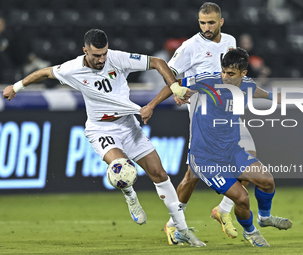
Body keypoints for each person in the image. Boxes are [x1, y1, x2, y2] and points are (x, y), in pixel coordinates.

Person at [2, 29, 205, 247]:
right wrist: (16, 87)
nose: (101, 60)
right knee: (121, 167)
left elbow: (157, 62)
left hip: (128, 126)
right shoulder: (72, 69)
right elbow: (43, 72)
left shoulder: (117, 59)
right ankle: (130, 195)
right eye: (96, 55)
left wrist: (175, 87)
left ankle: (181, 228)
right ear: (85, 51)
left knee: (159, 173)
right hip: (101, 130)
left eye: (103, 54)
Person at [142, 47, 292, 247]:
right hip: (205, 157)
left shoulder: (247, 84)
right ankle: (251, 232)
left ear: (243, 73)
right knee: (242, 197)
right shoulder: (208, 81)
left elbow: (257, 91)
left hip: (232, 150)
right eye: (223, 71)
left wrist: (275, 97)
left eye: (231, 74)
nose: (225, 77)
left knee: (267, 181)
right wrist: (151, 105)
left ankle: (264, 218)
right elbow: (174, 84)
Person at [147, 2, 253, 244]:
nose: (207, 27)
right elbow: (168, 73)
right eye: (203, 23)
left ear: (221, 22)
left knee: (248, 162)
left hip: (228, 114)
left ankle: (223, 210)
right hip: (203, 119)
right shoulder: (190, 47)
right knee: (193, 174)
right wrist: (166, 95)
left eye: (211, 23)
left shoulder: (230, 41)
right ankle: (174, 224)